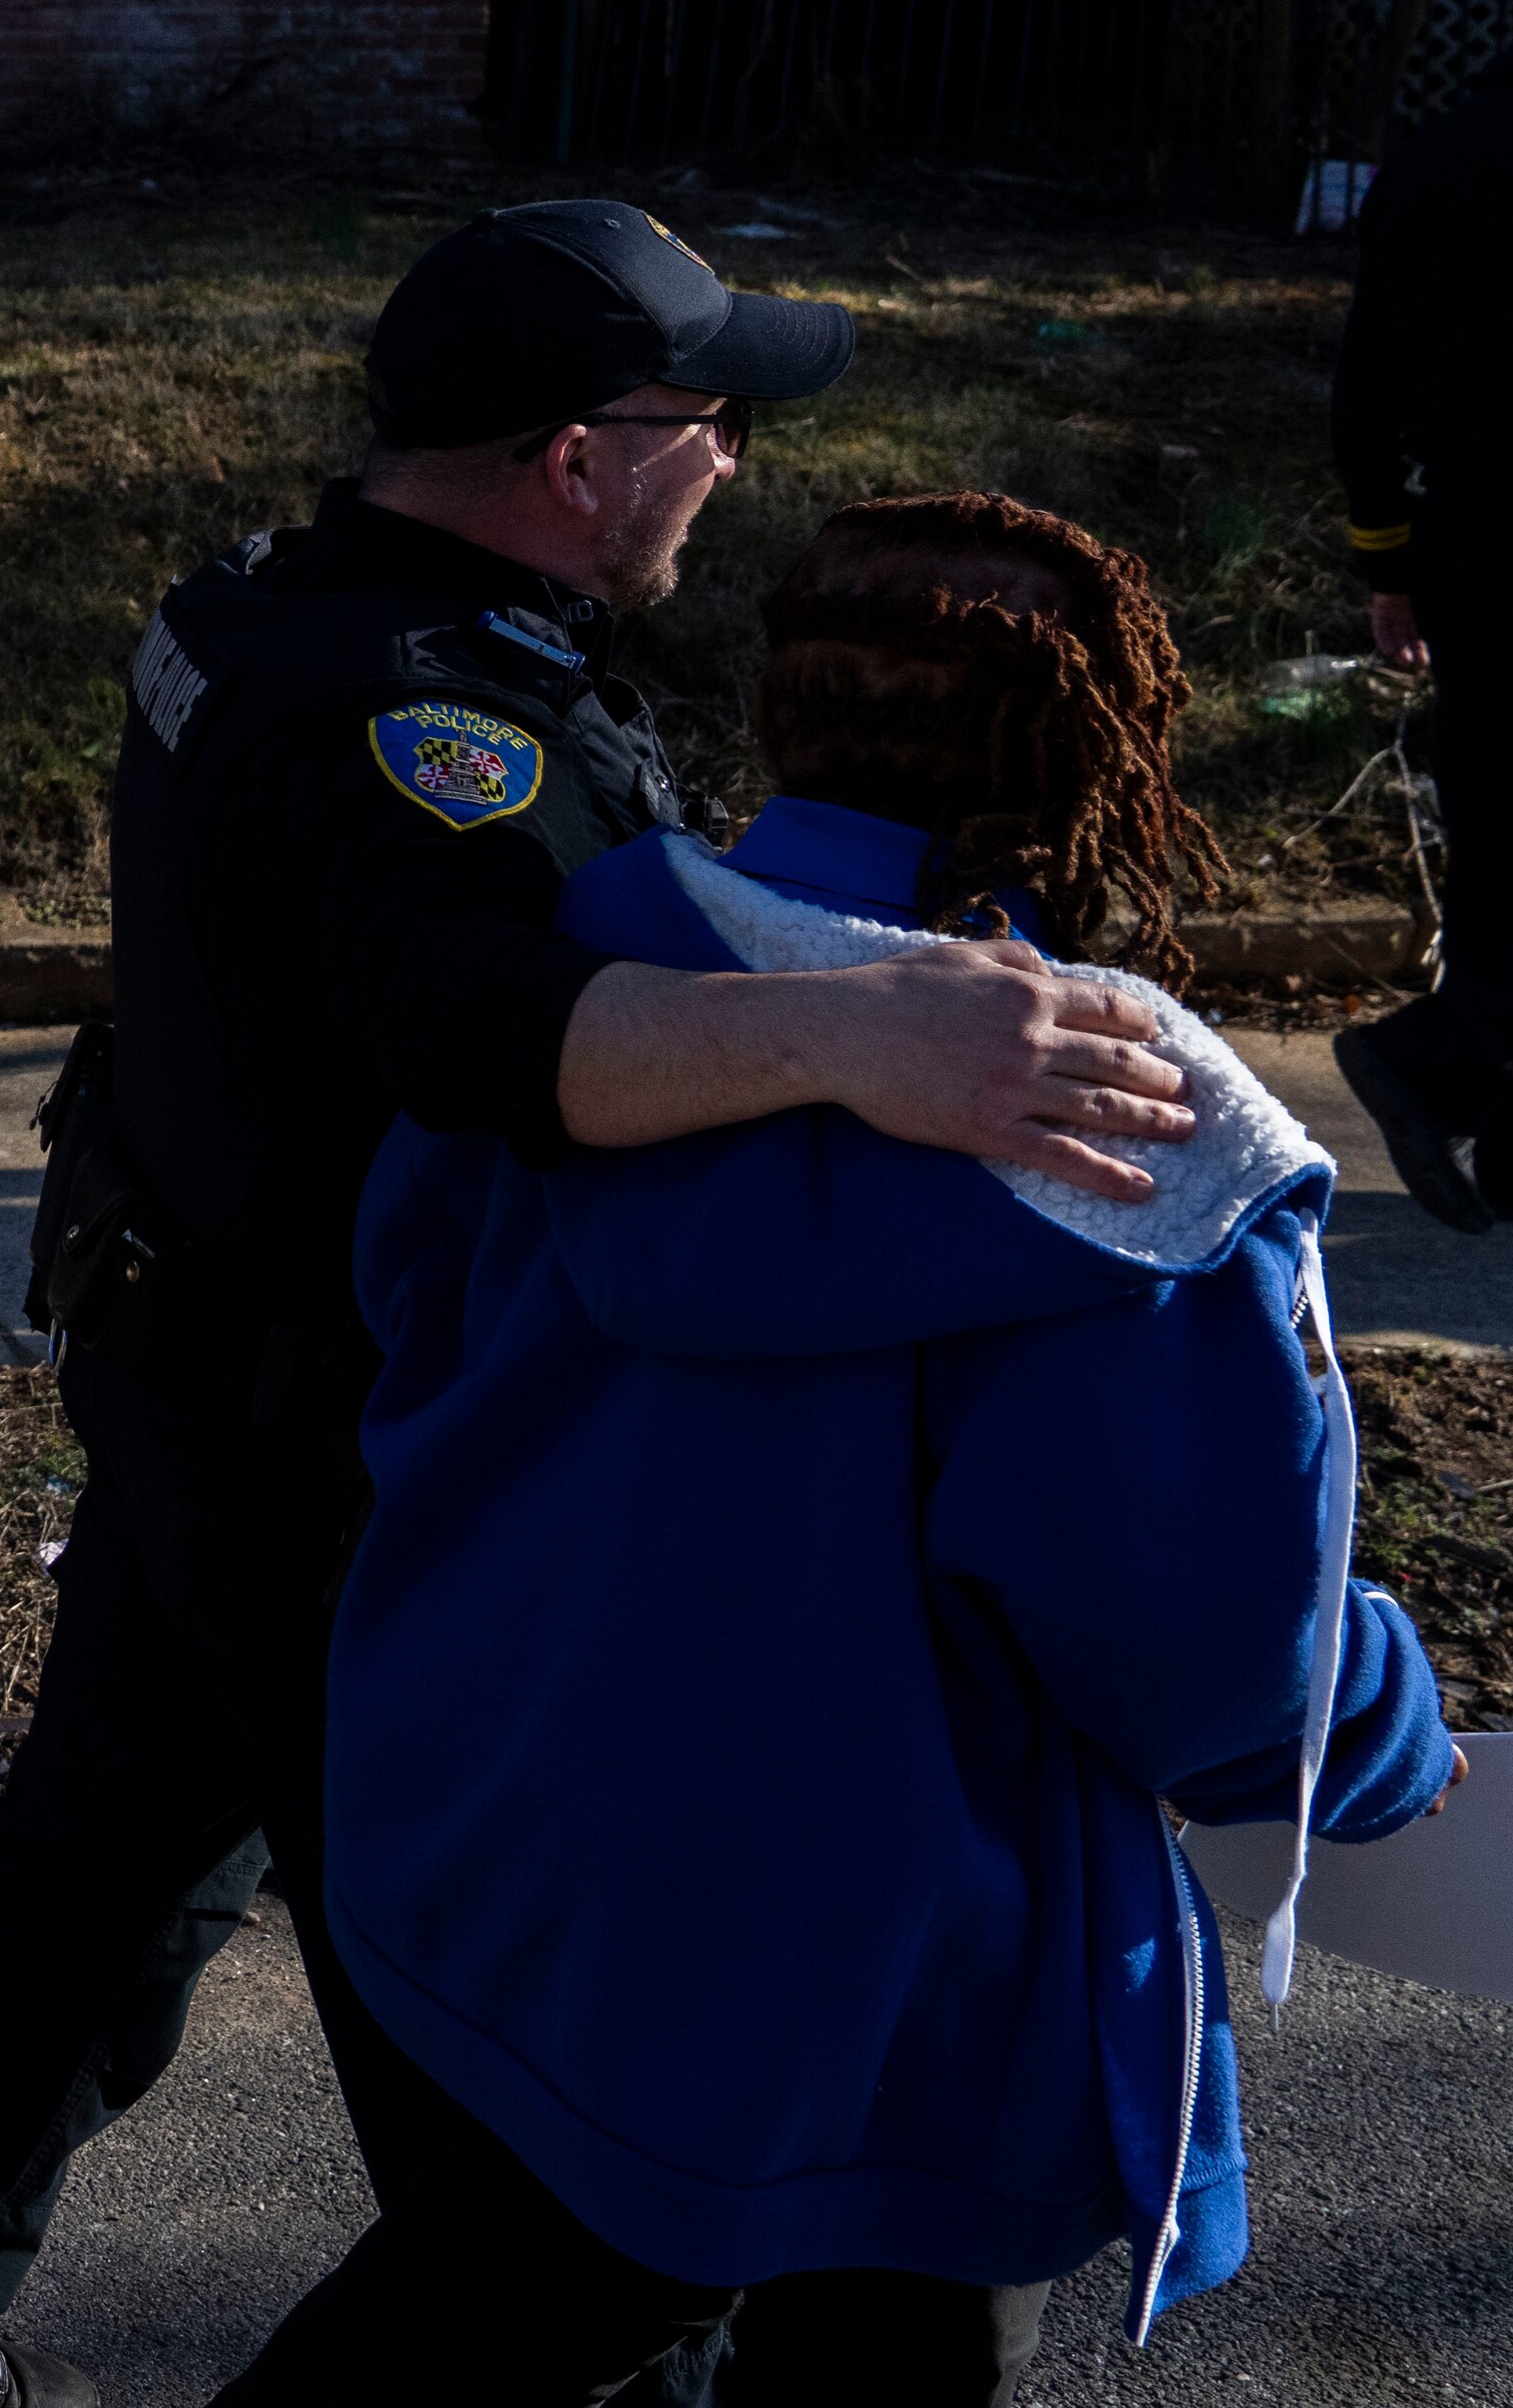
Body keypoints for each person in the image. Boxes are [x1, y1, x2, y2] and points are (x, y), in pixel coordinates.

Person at [0, 205, 1205, 2408]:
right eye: (702, 427)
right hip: (340, 1455)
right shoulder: (426, 724)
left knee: (95, 1879)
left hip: (182, 1357)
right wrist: (861, 1038)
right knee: (520, 2078)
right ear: (575, 453)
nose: (728, 466)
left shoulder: (264, 595)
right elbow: (498, 1029)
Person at [325, 492, 1457, 2398]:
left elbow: (401, 1308)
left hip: (514, 1847)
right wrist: (1388, 1725)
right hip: (891, 1981)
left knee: (491, 2311)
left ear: (785, 706)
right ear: (1107, 773)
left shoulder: (582, 981)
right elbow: (1201, 1657)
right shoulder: (1134, 1155)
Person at [1327, 65, 1508, 1230]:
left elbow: (1364, 387)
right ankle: (1437, 1054)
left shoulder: (1434, 157)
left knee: (1494, 820)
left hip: (1470, 527)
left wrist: (1388, 560)